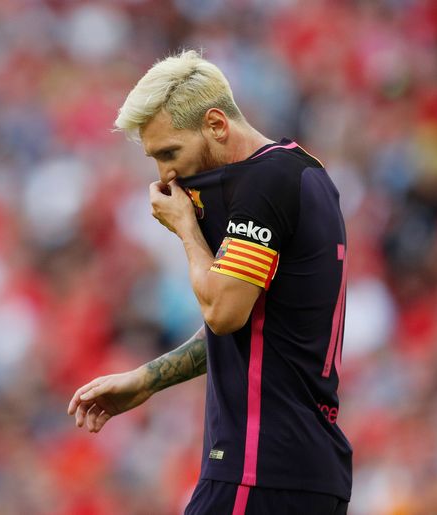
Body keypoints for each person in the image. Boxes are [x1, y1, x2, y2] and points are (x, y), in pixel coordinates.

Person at [67, 50, 352, 514]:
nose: (165, 175)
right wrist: (146, 380)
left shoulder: (266, 181)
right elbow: (253, 324)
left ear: (216, 124)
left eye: (170, 153)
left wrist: (186, 229)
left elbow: (223, 313)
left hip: (260, 467)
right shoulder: (302, 171)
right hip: (300, 470)